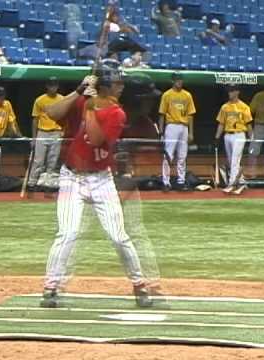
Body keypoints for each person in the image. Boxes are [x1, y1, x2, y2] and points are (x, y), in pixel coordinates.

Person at [40, 68, 154, 308]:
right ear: (104, 87)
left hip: (101, 180)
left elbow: (96, 139)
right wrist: (77, 92)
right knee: (67, 233)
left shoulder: (117, 113)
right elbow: (51, 112)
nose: (121, 87)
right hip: (71, 177)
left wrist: (89, 108)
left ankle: (139, 285)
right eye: (116, 83)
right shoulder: (83, 100)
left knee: (118, 236)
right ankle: (51, 287)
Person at [158, 72, 196, 192]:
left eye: (180, 79)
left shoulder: (187, 95)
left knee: (182, 155)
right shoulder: (167, 95)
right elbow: (162, 114)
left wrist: (191, 132)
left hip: (184, 126)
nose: (179, 82)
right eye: (177, 80)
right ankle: (166, 182)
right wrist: (161, 131)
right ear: (173, 81)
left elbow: (190, 115)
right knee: (168, 155)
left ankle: (181, 180)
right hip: (171, 125)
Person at [214, 84, 253, 195]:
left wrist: (252, 139)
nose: (229, 93)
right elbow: (221, 124)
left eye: (232, 91)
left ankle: (231, 184)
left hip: (239, 134)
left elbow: (249, 124)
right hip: (228, 135)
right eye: (229, 91)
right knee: (231, 161)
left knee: (235, 160)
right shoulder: (224, 107)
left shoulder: (244, 107)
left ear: (237, 92)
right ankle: (241, 181)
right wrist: (217, 137)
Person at [27, 77, 64, 192]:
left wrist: (63, 131)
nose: (53, 87)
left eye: (55, 85)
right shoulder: (40, 100)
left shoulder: (62, 99)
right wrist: (34, 137)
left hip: (56, 132)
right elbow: (35, 119)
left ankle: (48, 184)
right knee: (38, 160)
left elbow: (65, 117)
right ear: (47, 86)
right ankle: (32, 183)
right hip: (42, 132)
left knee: (52, 161)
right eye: (51, 85)